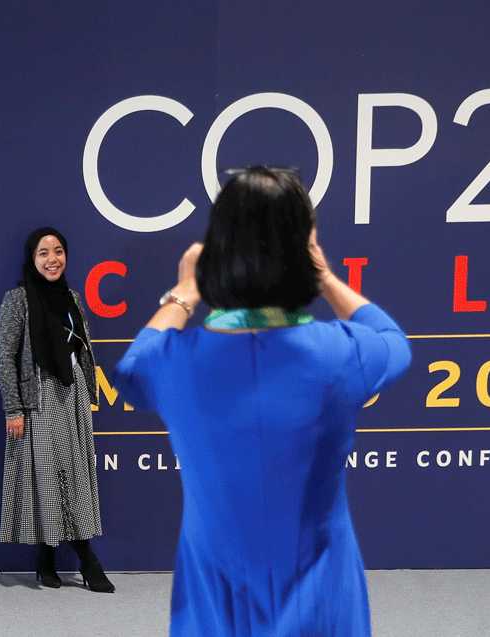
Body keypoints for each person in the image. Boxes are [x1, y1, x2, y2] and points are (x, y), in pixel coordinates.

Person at [114, 167, 412, 636]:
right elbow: (393, 338)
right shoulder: (345, 354)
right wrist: (327, 278)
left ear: (215, 249)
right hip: (322, 604)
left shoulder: (173, 365)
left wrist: (185, 291)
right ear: (303, 251)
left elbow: (131, 370)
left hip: (215, 602)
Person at [0, 227, 114, 592]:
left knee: (71, 473)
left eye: (58, 251)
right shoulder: (17, 300)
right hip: (38, 396)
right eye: (43, 253)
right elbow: (5, 358)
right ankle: (88, 561)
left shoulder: (72, 297)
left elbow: (82, 348)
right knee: (50, 474)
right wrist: (13, 409)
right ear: (32, 258)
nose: (52, 259)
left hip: (72, 392)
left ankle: (45, 559)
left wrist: (87, 388)